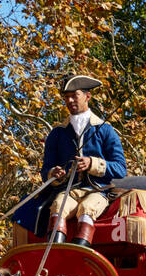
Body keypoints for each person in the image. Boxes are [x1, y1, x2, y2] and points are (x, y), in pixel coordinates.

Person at [9, 74, 128, 248]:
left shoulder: (106, 131)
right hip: (68, 192)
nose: (70, 100)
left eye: (75, 95)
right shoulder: (57, 134)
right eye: (67, 97)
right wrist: (53, 173)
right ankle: (55, 251)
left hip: (98, 191)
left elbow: (120, 169)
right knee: (58, 205)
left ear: (87, 96)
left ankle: (80, 251)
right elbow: (46, 171)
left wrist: (92, 164)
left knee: (87, 208)